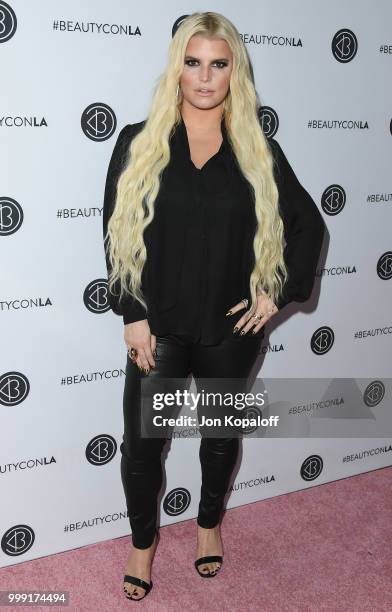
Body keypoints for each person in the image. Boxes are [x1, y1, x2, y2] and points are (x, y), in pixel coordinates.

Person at [102, 11, 325, 602]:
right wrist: (133, 314)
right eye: (193, 63)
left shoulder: (258, 150)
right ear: (177, 68)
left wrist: (275, 290)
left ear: (235, 72)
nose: (205, 77)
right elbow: (116, 233)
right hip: (162, 328)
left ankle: (207, 527)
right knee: (142, 448)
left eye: (218, 64)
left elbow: (307, 224)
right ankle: (142, 543)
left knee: (220, 438)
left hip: (231, 329)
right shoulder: (137, 142)